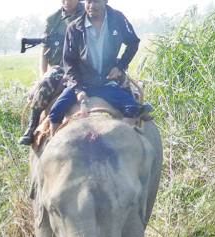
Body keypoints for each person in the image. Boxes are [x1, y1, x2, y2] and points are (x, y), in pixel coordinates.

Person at [48, 0, 151, 128]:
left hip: (105, 83)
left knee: (132, 107)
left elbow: (133, 42)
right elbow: (69, 62)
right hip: (82, 83)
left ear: (105, 2)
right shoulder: (74, 28)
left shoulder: (117, 19)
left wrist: (119, 66)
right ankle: (52, 143)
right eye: (88, 2)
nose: (91, 6)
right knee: (55, 111)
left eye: (96, 1)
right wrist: (78, 89)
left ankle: (124, 137)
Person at [18, 0, 85, 145]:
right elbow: (45, 50)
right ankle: (32, 127)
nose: (67, 1)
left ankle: (134, 111)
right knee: (46, 82)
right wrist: (42, 77)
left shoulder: (88, 11)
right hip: (60, 67)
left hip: (85, 64)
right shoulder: (53, 19)